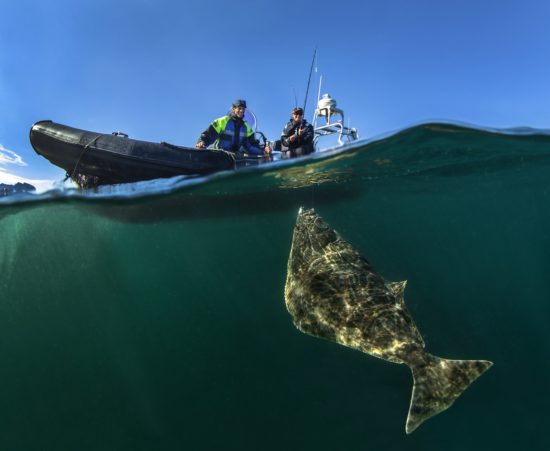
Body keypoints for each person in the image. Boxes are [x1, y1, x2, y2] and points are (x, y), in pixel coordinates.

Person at [195, 99, 271, 155]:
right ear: (233, 109)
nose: (241, 111)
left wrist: (263, 151)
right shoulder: (222, 121)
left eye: (243, 109)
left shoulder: (246, 127)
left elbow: (251, 146)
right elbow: (208, 135)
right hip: (219, 154)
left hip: (234, 156)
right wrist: (202, 142)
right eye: (239, 108)